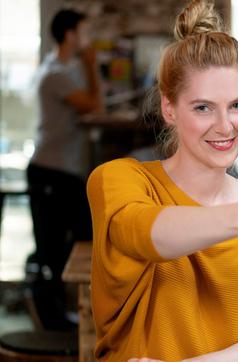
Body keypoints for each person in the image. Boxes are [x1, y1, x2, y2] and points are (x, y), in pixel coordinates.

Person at [86, 1, 238, 361]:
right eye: (203, 107)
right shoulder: (120, 179)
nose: (225, 126)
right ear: (169, 109)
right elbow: (142, 232)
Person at [27, 8, 102, 330]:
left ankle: (61, 315)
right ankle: (51, 320)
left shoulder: (61, 69)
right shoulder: (57, 72)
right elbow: (93, 105)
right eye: (84, 32)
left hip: (60, 170)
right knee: (54, 246)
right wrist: (91, 64)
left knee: (73, 238)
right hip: (51, 169)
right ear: (70, 35)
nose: (88, 39)